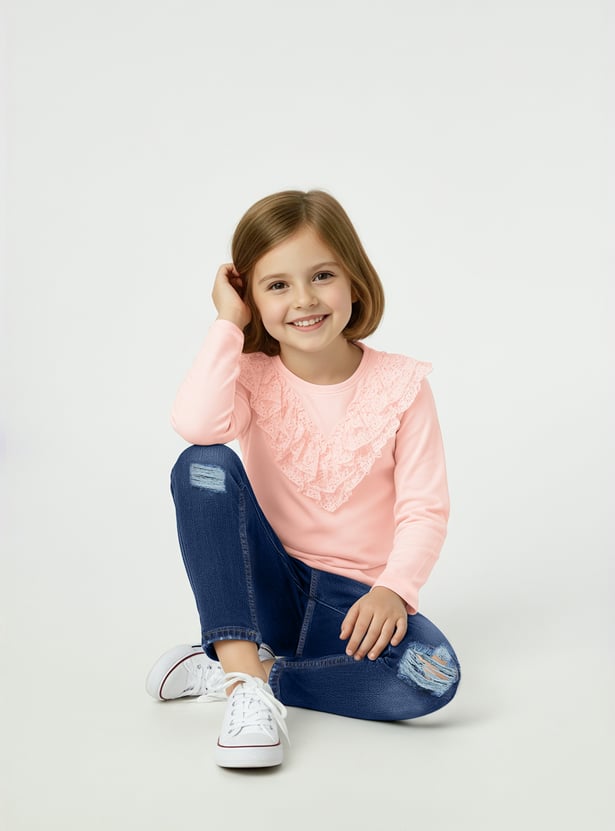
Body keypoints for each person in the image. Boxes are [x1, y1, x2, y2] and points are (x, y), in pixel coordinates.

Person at [145, 189, 461, 768]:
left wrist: (394, 590)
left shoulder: (404, 386)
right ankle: (244, 686)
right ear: (253, 299)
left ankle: (251, 669)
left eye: (321, 275)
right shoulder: (249, 376)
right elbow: (195, 424)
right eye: (277, 285)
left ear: (354, 279)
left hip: (351, 607)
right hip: (264, 586)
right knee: (202, 466)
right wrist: (227, 322)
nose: (304, 299)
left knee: (432, 676)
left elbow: (424, 508)